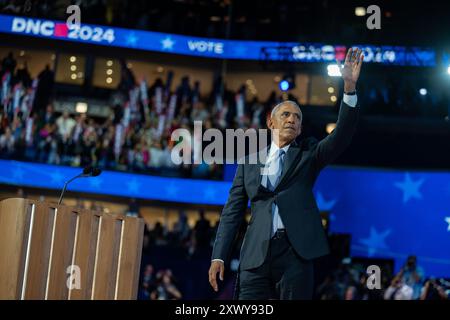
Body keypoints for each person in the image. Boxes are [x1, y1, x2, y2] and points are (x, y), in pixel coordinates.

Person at [208, 48, 364, 300]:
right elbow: (232, 213)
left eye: (297, 117)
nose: (292, 119)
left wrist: (348, 88)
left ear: (301, 127)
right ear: (271, 123)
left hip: (295, 254)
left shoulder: (309, 154)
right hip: (255, 256)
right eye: (286, 114)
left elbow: (342, 136)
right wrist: (219, 256)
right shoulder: (248, 163)